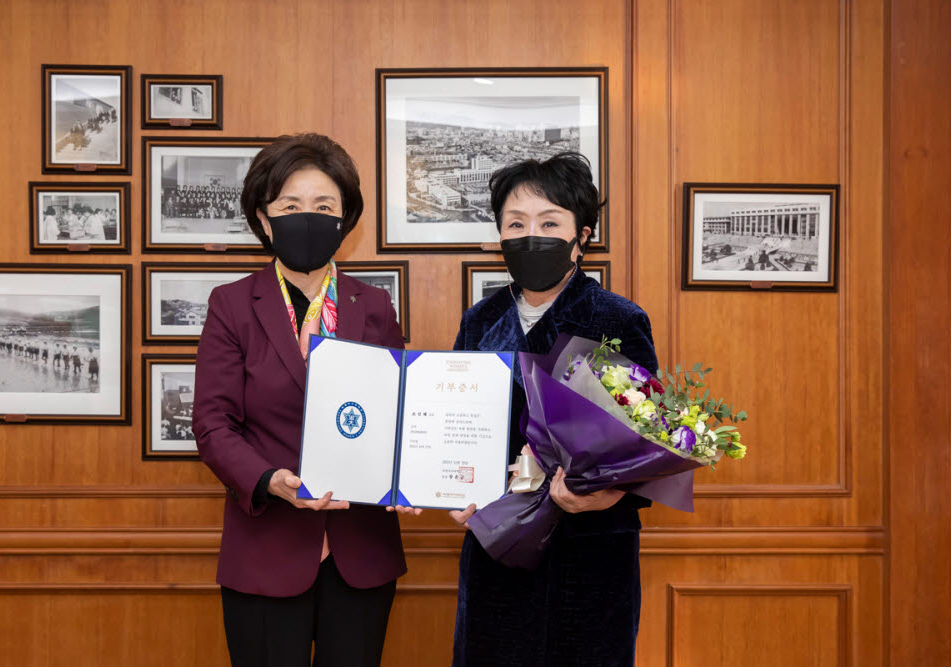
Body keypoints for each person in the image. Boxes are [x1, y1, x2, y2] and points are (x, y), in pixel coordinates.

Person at [193, 133, 418, 667]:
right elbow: (213, 424)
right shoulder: (232, 306)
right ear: (265, 219)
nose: (308, 218)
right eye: (290, 207)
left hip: (360, 553)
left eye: (324, 206)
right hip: (266, 551)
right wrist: (270, 481)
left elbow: (400, 411)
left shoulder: (375, 305)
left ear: (345, 219)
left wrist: (409, 472)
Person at [449, 152, 658, 667]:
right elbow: (455, 425)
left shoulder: (615, 319)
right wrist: (452, 486)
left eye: (549, 222)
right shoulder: (480, 321)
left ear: (581, 235)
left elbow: (652, 442)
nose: (530, 236)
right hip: (497, 542)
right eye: (515, 224)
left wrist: (607, 493)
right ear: (499, 236)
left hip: (589, 552)